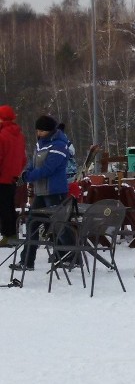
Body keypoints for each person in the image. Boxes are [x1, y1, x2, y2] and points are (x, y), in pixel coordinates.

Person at [9, 115, 71, 271]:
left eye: (41, 130)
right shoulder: (40, 144)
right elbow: (33, 162)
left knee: (59, 225)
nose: (38, 133)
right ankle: (27, 261)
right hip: (41, 192)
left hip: (55, 191)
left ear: (49, 130)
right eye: (37, 130)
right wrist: (25, 173)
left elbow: (48, 169)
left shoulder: (59, 146)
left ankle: (71, 255)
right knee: (32, 224)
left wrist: (29, 177)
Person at [0, 106, 28, 247]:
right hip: (12, 177)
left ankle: (7, 235)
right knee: (9, 206)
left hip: (1, 176)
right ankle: (11, 234)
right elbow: (23, 158)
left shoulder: (2, 135)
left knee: (4, 207)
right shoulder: (19, 135)